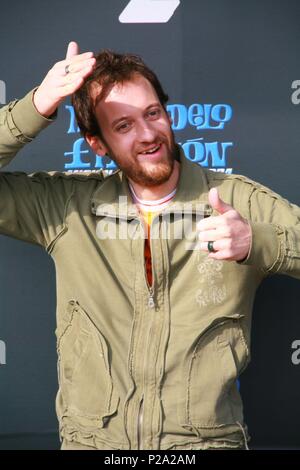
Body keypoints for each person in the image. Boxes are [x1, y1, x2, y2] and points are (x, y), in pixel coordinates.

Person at [0, 42, 300, 451]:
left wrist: (259, 241)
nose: (147, 135)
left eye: (152, 114)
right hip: (93, 445)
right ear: (97, 143)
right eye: (123, 126)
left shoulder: (235, 199)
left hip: (206, 446)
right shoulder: (66, 207)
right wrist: (36, 106)